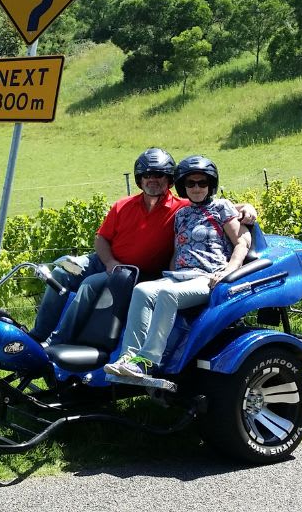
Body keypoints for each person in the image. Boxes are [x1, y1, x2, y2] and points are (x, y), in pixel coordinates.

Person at [28, 148, 256, 343]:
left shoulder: (181, 208)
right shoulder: (122, 205)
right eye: (147, 175)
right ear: (139, 178)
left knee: (90, 284)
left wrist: (246, 207)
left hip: (134, 272)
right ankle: (37, 337)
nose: (153, 180)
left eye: (159, 175)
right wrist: (109, 262)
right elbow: (101, 239)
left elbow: (211, 205)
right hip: (105, 261)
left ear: (169, 180)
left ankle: (58, 342)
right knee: (60, 272)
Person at [105, 155, 251, 379]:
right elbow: (177, 251)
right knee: (142, 289)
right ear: (183, 186)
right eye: (190, 183)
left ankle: (147, 362)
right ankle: (128, 358)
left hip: (208, 277)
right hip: (179, 275)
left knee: (167, 294)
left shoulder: (222, 208)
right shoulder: (181, 215)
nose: (196, 187)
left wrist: (230, 269)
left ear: (211, 185)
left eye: (202, 183)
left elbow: (243, 241)